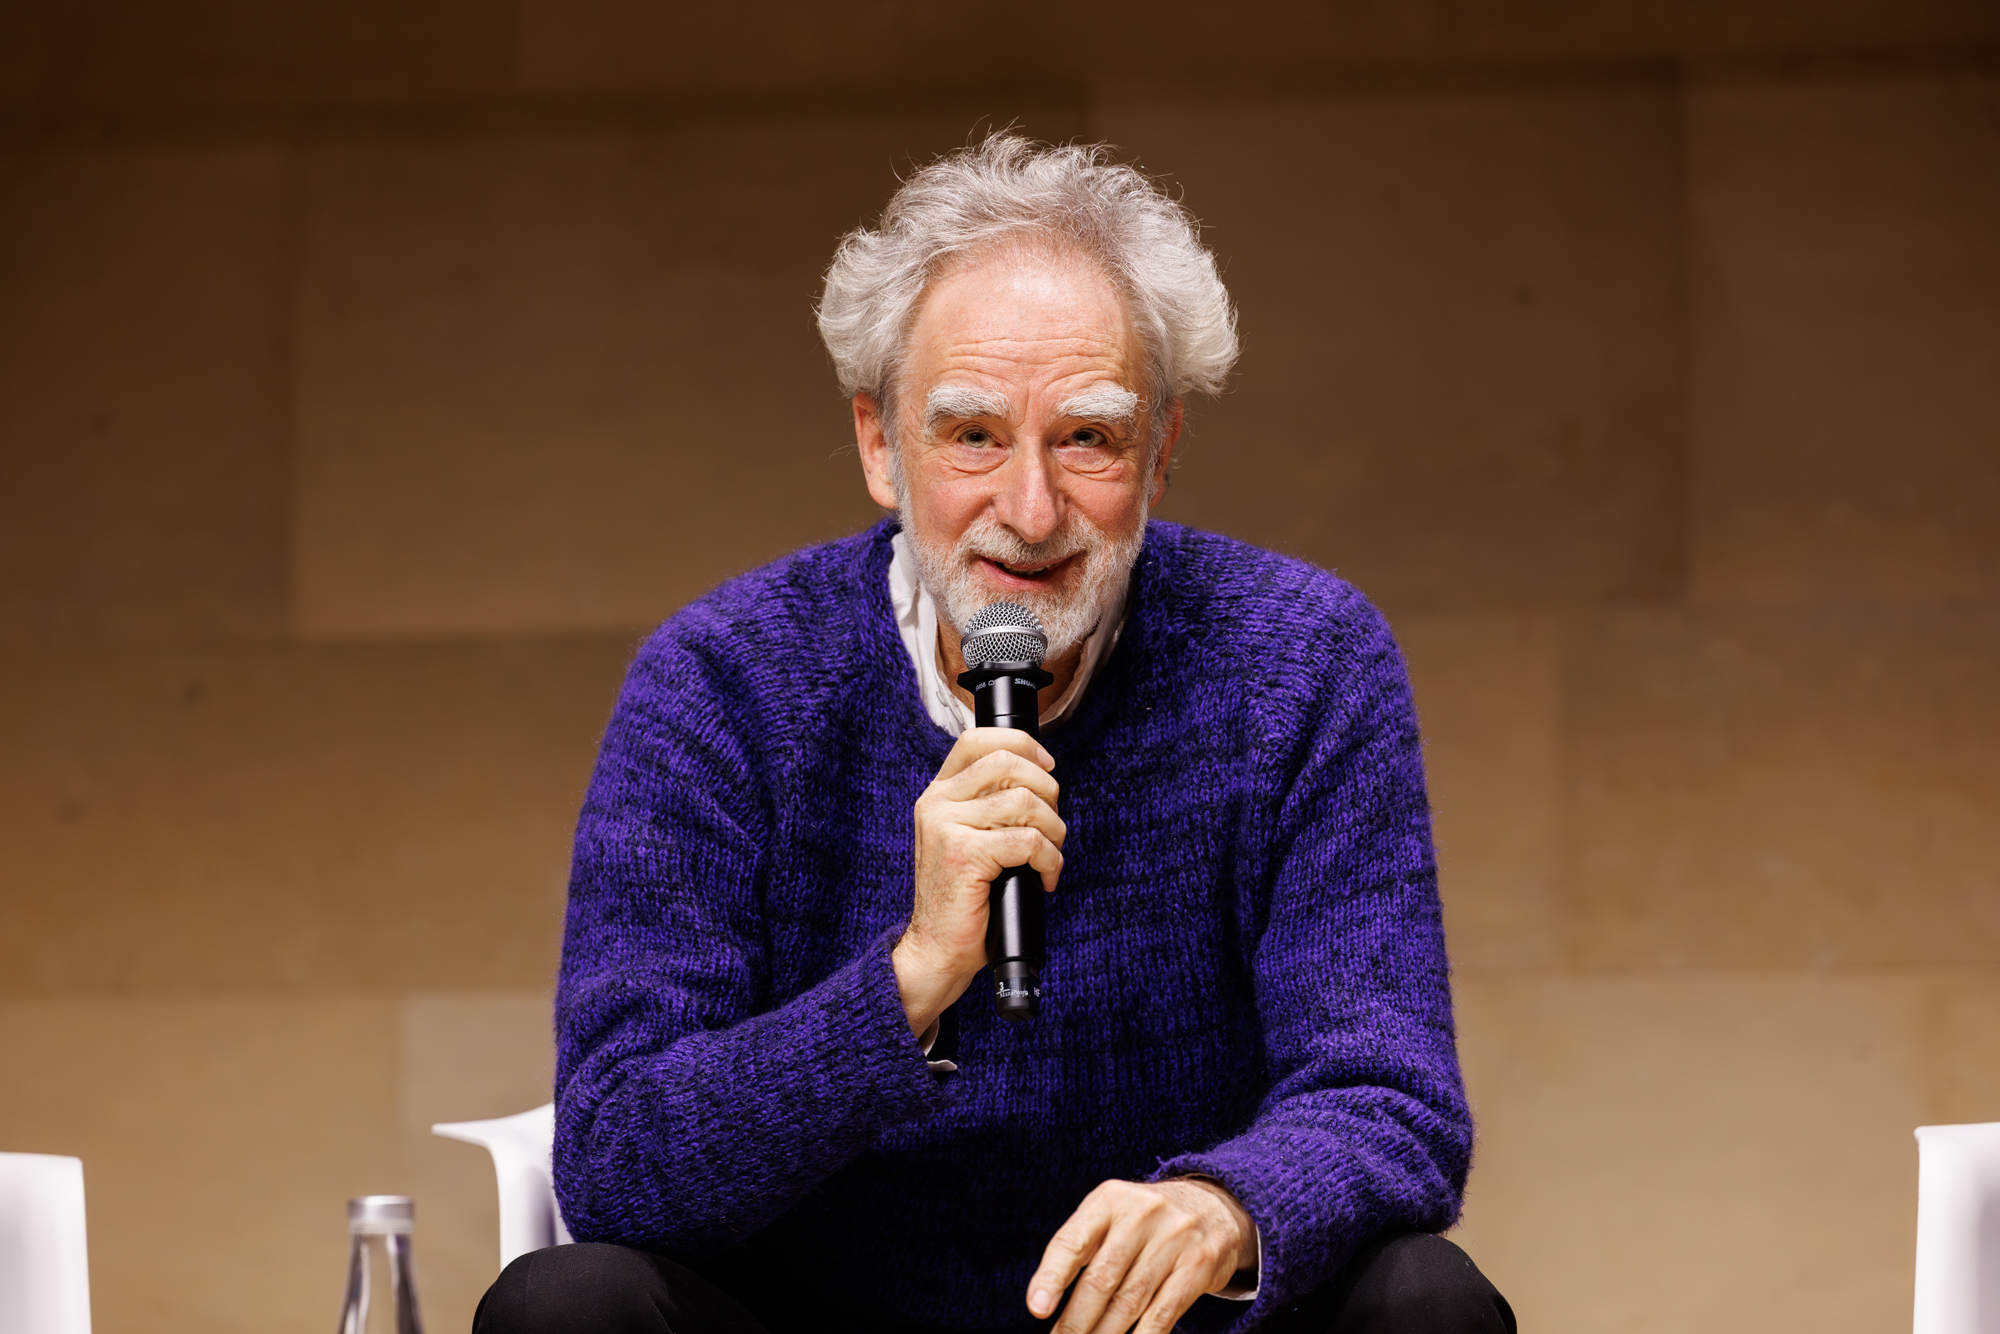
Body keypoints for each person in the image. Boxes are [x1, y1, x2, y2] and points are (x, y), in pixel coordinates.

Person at [474, 135, 1514, 1334]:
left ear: (1160, 453)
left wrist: (1228, 1204)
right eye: (971, 435)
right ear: (880, 446)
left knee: (1427, 1299)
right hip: (818, 1323)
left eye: (1087, 438)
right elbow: (614, 1156)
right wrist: (911, 975)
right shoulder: (723, 680)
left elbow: (1392, 1099)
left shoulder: (1302, 659)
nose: (1029, 511)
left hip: (1163, 1324)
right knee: (564, 1303)